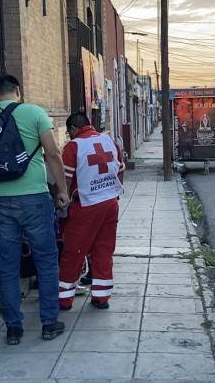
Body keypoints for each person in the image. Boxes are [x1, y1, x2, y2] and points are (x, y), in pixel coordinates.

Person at [0, 74, 69, 345]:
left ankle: (13, 328)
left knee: (8, 266)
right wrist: (62, 190)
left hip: (1, 202)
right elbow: (53, 154)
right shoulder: (34, 113)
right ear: (17, 90)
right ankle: (49, 323)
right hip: (35, 199)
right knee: (46, 261)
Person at [58, 113, 125, 310]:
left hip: (86, 206)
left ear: (73, 129)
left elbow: (66, 180)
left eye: (69, 132)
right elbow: (121, 170)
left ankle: (64, 300)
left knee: (74, 251)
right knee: (104, 249)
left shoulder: (73, 146)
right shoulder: (109, 141)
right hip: (110, 203)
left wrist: (63, 199)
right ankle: (101, 298)